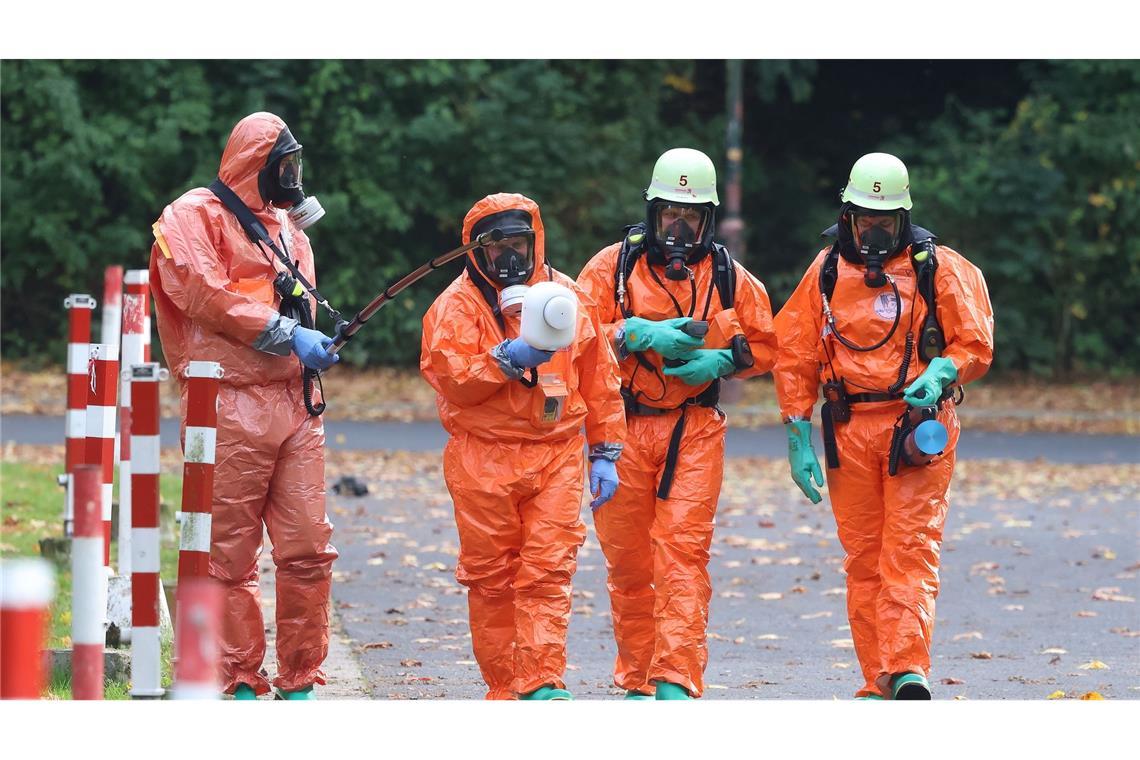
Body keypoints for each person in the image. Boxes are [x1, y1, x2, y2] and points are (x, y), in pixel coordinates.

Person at [772, 152, 994, 699]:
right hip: (848, 427)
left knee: (910, 548)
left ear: (904, 219)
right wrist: (798, 436)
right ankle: (881, 676)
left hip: (916, 427)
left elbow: (976, 341)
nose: (874, 232)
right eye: (865, 220)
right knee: (865, 558)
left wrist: (943, 369)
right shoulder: (825, 272)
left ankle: (907, 668)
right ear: (847, 216)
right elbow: (795, 354)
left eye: (885, 221)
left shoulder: (937, 268)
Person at [150, 112, 340, 700]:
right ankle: (237, 677)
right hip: (225, 401)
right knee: (227, 553)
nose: (293, 177)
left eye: (296, 164)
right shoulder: (190, 217)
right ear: (256, 163)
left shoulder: (289, 229)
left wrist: (312, 338)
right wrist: (288, 335)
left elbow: (294, 303)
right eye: (285, 165)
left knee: (309, 545)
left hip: (294, 401)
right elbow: (206, 294)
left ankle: (301, 673)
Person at [576, 148, 778, 700]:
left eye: (690, 216)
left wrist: (725, 360)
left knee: (683, 555)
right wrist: (632, 333)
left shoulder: (729, 277)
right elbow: (571, 336)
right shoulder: (611, 268)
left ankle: (674, 677)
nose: (679, 226)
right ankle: (638, 676)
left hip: (694, 428)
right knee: (629, 562)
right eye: (669, 213)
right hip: (619, 429)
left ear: (708, 220)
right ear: (652, 211)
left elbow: (770, 343)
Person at [420, 192, 626, 700]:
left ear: (536, 242)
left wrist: (604, 451)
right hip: (482, 456)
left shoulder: (568, 297)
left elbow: (599, 378)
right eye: (497, 248)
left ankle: (540, 681)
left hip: (555, 453)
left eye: (519, 244)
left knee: (549, 569)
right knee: (491, 577)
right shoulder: (457, 306)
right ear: (476, 253)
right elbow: (450, 376)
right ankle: (505, 685)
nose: (510, 258)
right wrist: (505, 359)